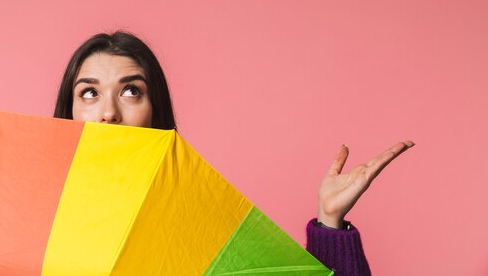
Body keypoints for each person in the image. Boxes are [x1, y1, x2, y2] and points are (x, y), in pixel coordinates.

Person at [54, 31, 414, 276]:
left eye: (132, 91)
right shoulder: (38, 215)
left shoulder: (203, 219)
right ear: (69, 109)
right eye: (89, 93)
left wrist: (329, 223)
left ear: (156, 109)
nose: (108, 112)